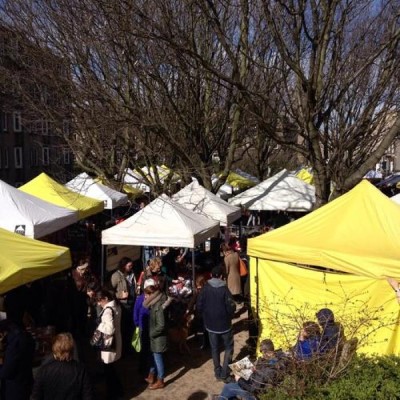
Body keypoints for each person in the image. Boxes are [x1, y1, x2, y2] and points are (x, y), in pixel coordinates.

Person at [197, 265, 236, 381]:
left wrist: (205, 315)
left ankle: (217, 371)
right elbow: (231, 306)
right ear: (220, 276)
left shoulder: (205, 288)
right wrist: (230, 314)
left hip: (210, 324)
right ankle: (224, 373)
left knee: (214, 348)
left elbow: (199, 304)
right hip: (224, 324)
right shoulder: (224, 289)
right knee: (229, 347)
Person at [211, 339, 285, 400]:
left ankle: (222, 398)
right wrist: (254, 368)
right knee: (238, 373)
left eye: (262, 352)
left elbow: (253, 389)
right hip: (257, 381)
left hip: (256, 394)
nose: (262, 355)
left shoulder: (267, 371)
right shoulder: (278, 357)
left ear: (265, 352)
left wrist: (238, 379)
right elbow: (263, 368)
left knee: (228, 387)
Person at [31, 332, 93, 400]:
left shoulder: (44, 370)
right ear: (72, 350)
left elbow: (35, 397)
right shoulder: (81, 370)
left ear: (54, 350)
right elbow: (88, 397)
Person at [94, 289, 123, 399]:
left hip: (109, 344)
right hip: (116, 341)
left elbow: (110, 329)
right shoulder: (117, 305)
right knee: (111, 369)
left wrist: (99, 327)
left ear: (105, 299)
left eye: (99, 301)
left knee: (109, 370)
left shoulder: (107, 310)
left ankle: (113, 393)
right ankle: (118, 391)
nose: (98, 303)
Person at [0, 319, 35, 400]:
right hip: (26, 383)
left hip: (15, 389)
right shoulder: (27, 337)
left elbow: (6, 372)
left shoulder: (14, 344)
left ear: (4, 332)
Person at [143, 280, 168, 390]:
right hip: (155, 338)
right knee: (154, 357)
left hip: (158, 338)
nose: (145, 297)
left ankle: (160, 380)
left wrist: (151, 333)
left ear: (150, 295)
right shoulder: (155, 305)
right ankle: (151, 376)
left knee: (158, 358)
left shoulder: (157, 307)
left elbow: (161, 325)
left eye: (146, 295)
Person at [110, 257, 135, 355]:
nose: (131, 267)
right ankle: (123, 350)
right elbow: (110, 291)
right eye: (129, 266)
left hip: (132, 303)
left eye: (131, 265)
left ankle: (129, 348)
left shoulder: (132, 274)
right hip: (123, 305)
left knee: (131, 328)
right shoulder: (116, 276)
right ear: (123, 266)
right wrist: (120, 296)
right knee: (123, 328)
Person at [133, 279, 152, 376]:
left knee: (147, 350)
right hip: (143, 327)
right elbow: (136, 313)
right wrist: (137, 324)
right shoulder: (141, 299)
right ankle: (144, 370)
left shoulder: (145, 299)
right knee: (144, 350)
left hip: (147, 326)